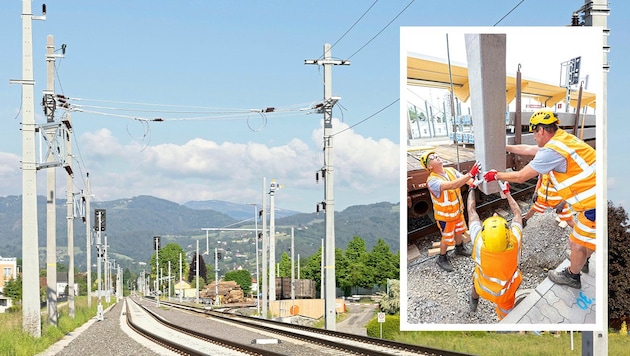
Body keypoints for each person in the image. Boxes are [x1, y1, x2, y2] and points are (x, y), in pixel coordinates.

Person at [483, 109, 595, 289]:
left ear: (541, 130)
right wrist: (505, 147)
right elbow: (529, 149)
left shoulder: (552, 151)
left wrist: (496, 175)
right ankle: (583, 259)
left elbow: (520, 176)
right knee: (584, 239)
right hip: (593, 200)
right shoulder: (562, 139)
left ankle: (572, 276)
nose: (533, 137)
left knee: (575, 242)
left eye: (533, 132)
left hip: (594, 206)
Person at [468, 179, 523, 320]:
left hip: (481, 286)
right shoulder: (514, 241)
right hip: (504, 294)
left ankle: (473, 301)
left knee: (476, 278)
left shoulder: (479, 241)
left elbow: (471, 211)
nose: (495, 215)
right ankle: (505, 321)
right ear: (507, 235)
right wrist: (507, 193)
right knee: (506, 311)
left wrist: (472, 188)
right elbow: (517, 214)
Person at [418, 150, 480, 272]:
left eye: (436, 155)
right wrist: (470, 174)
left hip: (457, 212)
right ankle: (442, 257)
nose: (437, 156)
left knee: (459, 231)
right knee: (446, 238)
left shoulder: (450, 170)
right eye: (433, 158)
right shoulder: (432, 181)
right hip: (445, 217)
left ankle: (459, 248)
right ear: (429, 166)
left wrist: (475, 182)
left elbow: (464, 180)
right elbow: (452, 185)